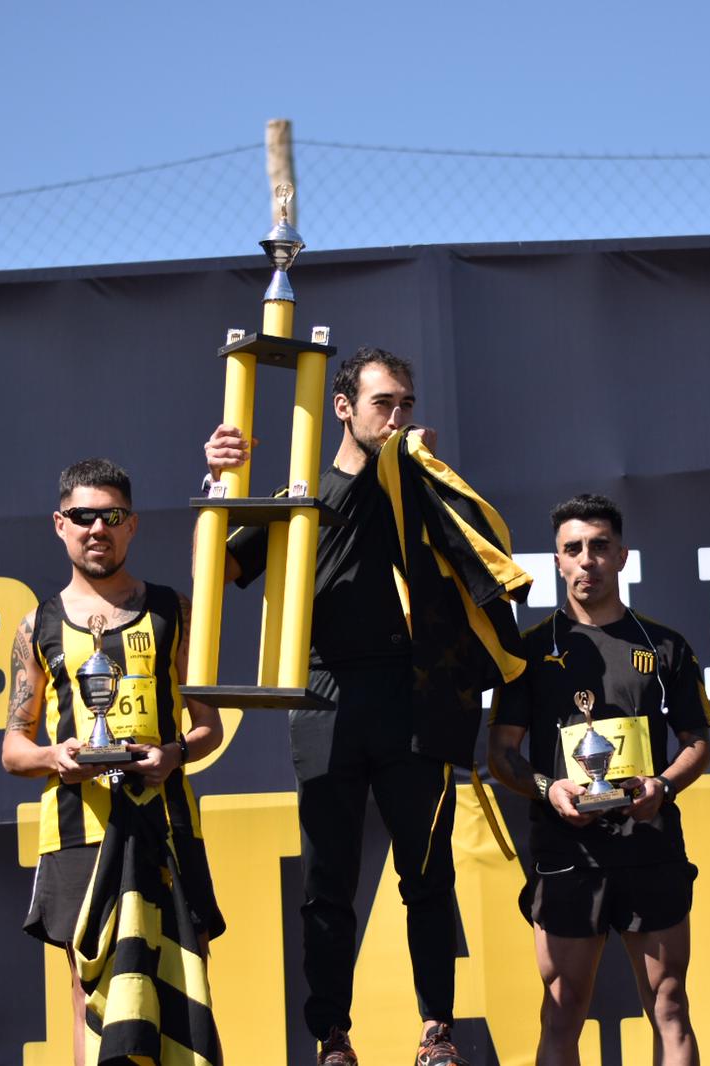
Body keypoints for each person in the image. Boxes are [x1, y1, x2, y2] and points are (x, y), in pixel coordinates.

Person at [205, 347, 525, 1066]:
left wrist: (423, 473)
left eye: (408, 404)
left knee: (428, 875)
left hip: (415, 700)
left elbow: (490, 555)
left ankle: (436, 1032)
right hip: (323, 701)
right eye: (384, 404)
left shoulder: (427, 490)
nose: (399, 418)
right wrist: (219, 478)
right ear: (343, 407)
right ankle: (331, 1037)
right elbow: (222, 564)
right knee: (327, 881)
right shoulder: (306, 496)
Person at [2, 458, 224, 1066]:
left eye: (111, 516)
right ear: (59, 525)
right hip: (80, 835)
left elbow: (210, 726)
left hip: (168, 827)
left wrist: (172, 754)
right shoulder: (37, 625)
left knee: (185, 977)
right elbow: (13, 747)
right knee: (91, 993)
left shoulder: (172, 610)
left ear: (132, 526)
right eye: (83, 517)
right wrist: (56, 756)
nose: (97, 529)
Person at [487, 494, 710, 1066]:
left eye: (599, 546)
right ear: (557, 560)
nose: (587, 559)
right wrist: (549, 789)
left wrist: (662, 786)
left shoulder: (665, 646)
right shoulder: (528, 652)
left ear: (622, 555)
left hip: (649, 847)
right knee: (562, 1009)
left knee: (669, 1005)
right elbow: (502, 755)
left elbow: (698, 744)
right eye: (573, 549)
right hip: (566, 854)